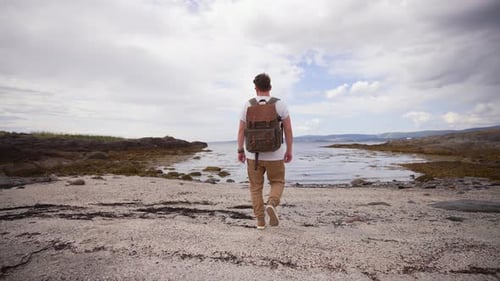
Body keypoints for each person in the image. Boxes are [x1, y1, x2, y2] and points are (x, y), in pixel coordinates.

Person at [237, 73, 293, 230]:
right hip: (275, 154)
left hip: (253, 155)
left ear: (256, 88)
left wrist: (240, 150)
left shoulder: (248, 105)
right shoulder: (279, 104)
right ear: (270, 87)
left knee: (255, 187)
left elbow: (241, 130)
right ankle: (272, 204)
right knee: (277, 181)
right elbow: (288, 129)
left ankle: (260, 222)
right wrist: (289, 150)